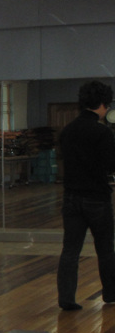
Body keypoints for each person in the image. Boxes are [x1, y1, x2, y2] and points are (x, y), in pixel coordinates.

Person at [57, 80, 115, 311]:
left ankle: (66, 299)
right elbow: (111, 165)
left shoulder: (67, 131)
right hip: (97, 198)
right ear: (102, 104)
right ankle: (110, 294)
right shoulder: (102, 132)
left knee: (70, 250)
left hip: (70, 198)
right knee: (105, 249)